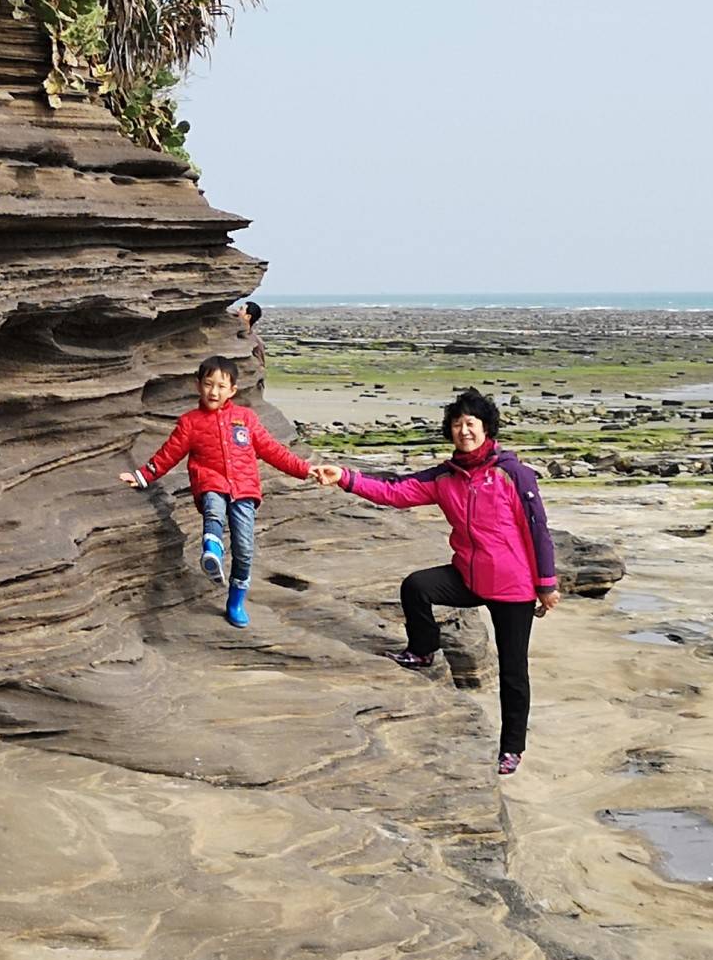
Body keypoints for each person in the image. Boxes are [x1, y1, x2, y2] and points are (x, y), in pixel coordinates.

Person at [312, 388, 560, 776]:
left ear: (487, 429)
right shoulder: (446, 477)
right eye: (458, 424)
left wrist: (546, 584)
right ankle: (423, 650)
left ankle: (512, 748)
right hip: (469, 577)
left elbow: (537, 529)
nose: (465, 431)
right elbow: (395, 492)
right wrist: (345, 477)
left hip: (513, 587)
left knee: (514, 672)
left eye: (472, 424)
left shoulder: (512, 473)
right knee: (417, 587)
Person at [120, 355, 311, 627]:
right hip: (210, 481)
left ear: (232, 390)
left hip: (244, 490)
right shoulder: (191, 422)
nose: (214, 391)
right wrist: (142, 475)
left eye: (221, 386)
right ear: (198, 385)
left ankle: (235, 601)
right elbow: (169, 454)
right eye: (208, 384)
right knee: (213, 508)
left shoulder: (246, 419)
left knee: (244, 550)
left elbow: (273, 450)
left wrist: (305, 469)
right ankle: (211, 549)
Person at [234, 301, 266, 392]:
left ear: (247, 317)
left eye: (241, 309)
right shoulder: (231, 335)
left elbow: (261, 364)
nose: (237, 311)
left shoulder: (255, 342)